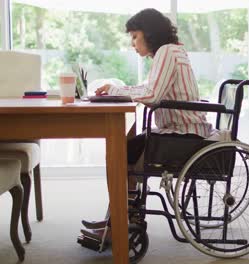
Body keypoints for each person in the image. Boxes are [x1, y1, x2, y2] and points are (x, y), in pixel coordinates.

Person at [81, 8, 213, 239]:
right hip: (184, 131)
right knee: (124, 150)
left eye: (135, 36)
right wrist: (116, 90)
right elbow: (149, 89)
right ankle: (120, 219)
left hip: (181, 136)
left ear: (149, 34)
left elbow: (151, 96)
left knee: (118, 154)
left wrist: (115, 90)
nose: (132, 43)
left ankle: (120, 223)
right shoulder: (173, 51)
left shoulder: (166, 52)